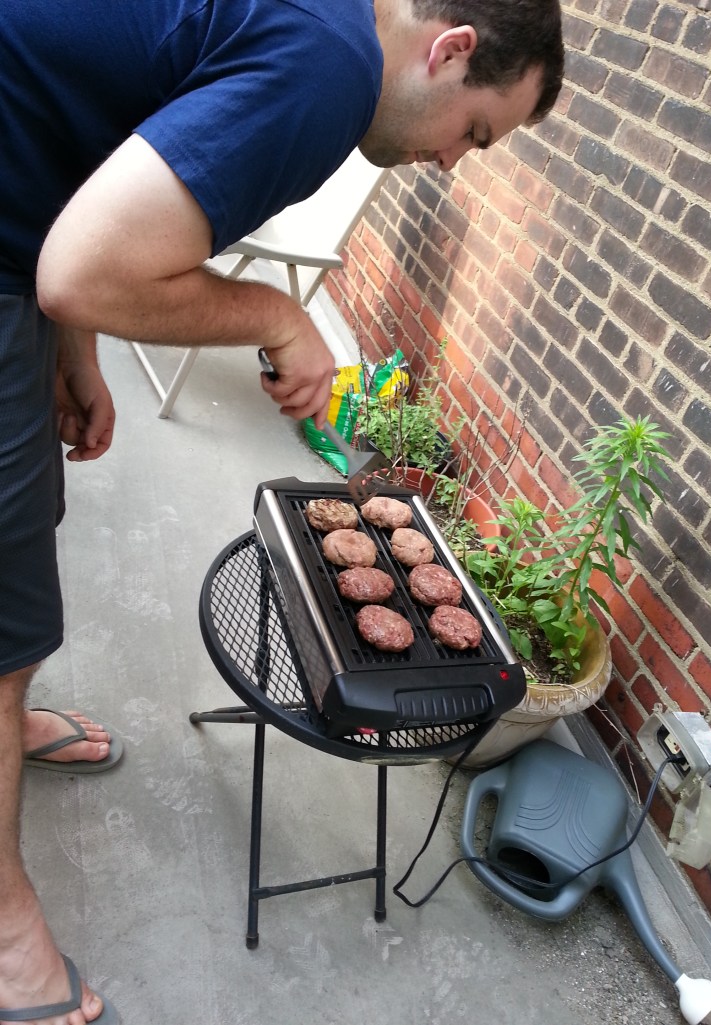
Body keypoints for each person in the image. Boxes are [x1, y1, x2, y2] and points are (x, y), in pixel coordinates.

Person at [0, 0, 564, 1020]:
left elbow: (88, 161)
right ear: (450, 50)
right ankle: (4, 944)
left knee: (23, 545)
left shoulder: (313, 25)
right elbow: (87, 267)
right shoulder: (328, 67)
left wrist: (72, 346)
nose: (450, 165)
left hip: (16, 227)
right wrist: (276, 311)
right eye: (474, 133)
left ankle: (11, 716)